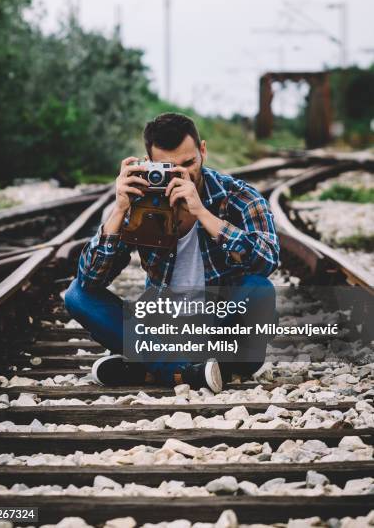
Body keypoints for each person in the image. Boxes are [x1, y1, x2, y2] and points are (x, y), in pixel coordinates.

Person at [64, 113, 279, 392]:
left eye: (189, 163)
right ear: (150, 163)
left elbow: (268, 260)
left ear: (203, 150)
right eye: (170, 167)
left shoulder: (237, 196)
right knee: (77, 295)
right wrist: (118, 210)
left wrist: (202, 212)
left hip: (222, 328)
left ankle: (151, 366)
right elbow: (90, 279)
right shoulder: (139, 199)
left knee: (259, 289)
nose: (183, 175)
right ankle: (185, 371)